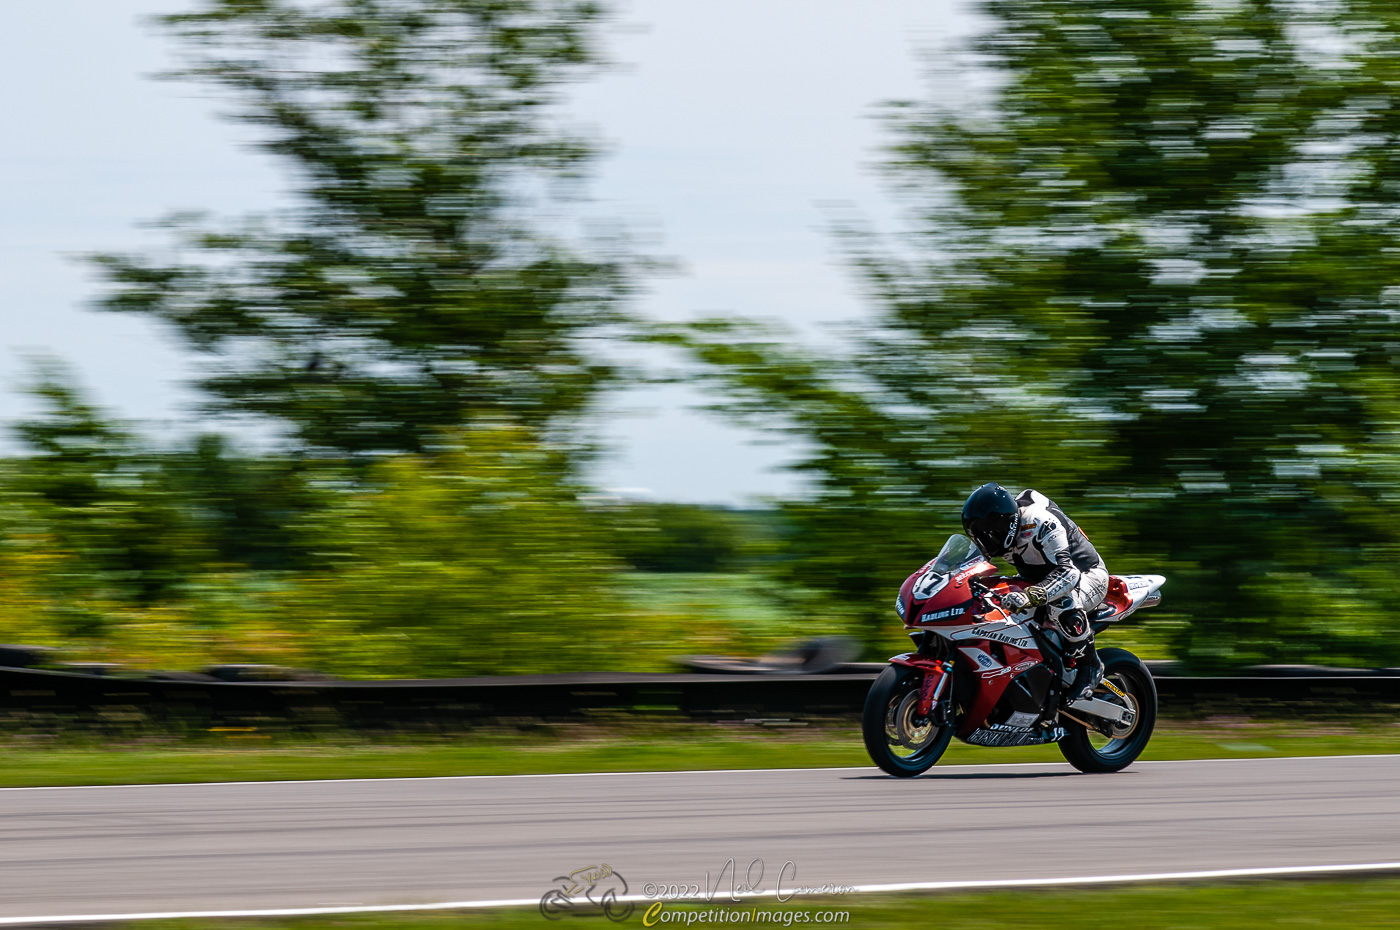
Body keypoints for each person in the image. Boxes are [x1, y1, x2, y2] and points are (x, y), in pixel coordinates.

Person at [960, 482, 1108, 702]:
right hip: (1039, 580)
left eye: (989, 533)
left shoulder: (1040, 522)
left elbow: (1068, 574)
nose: (985, 541)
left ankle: (1090, 666)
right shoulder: (999, 535)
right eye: (979, 535)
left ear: (1005, 523)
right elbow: (970, 567)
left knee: (1063, 601)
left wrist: (1030, 596)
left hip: (1085, 575)